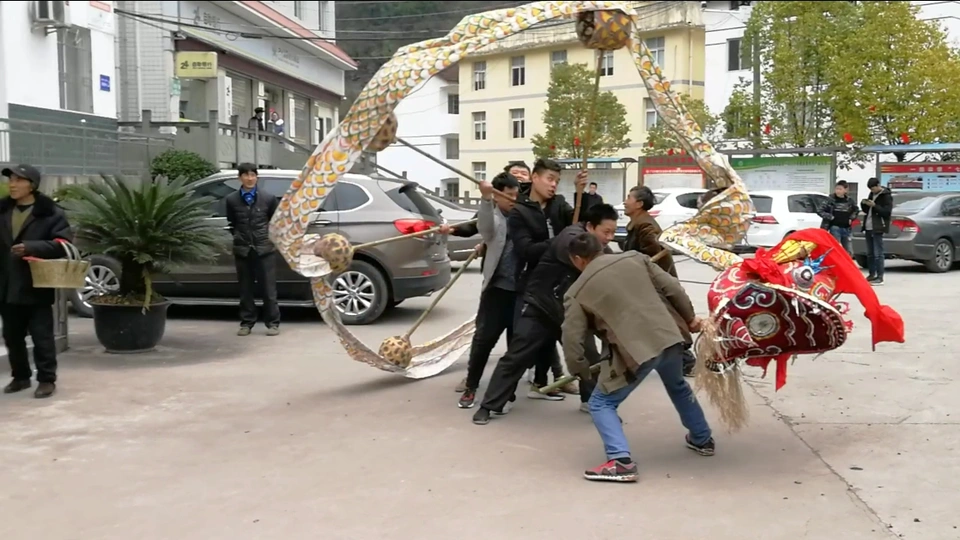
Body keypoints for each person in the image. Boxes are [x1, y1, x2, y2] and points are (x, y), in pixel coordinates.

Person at [561, 234, 714, 482]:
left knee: (601, 403)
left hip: (635, 351)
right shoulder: (636, 258)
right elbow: (673, 288)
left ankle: (620, 462)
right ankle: (702, 438)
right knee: (677, 384)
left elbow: (572, 337)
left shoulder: (576, 292)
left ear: (577, 259)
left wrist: (579, 369)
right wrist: (689, 318)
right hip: (669, 336)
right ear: (601, 248)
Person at [471, 203, 615, 426]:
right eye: (606, 232)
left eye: (613, 233)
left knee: (588, 356)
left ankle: (594, 403)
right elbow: (596, 263)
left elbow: (608, 263)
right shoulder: (571, 239)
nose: (609, 238)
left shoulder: (599, 248)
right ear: (590, 226)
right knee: (517, 355)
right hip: (541, 305)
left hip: (570, 312)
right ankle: (488, 406)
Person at [509, 158, 585, 394]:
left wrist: (580, 193)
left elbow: (580, 221)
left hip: (562, 283)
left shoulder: (558, 204)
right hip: (533, 284)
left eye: (557, 181)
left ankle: (579, 390)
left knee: (572, 338)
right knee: (529, 339)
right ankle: (507, 392)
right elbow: (526, 250)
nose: (553, 185)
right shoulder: (520, 211)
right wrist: (558, 243)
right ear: (535, 177)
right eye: (550, 179)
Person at [0, 164, 72, 398]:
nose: (12, 185)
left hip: (35, 284)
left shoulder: (50, 213)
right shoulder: (2, 210)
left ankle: (46, 379)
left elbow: (63, 244)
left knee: (42, 337)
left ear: (32, 185)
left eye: (18, 180)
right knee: (12, 336)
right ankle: (20, 377)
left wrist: (32, 247)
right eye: (11, 180)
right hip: (6, 285)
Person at [453, 172, 521, 408]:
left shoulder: (524, 216)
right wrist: (485, 198)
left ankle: (506, 391)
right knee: (483, 341)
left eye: (516, 195)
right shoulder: (493, 217)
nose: (513, 199)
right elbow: (484, 228)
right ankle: (471, 387)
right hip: (496, 290)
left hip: (521, 292)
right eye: (508, 195)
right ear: (497, 195)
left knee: (516, 345)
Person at [620, 185, 696, 378]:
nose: (625, 201)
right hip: (644, 283)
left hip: (654, 285)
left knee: (662, 324)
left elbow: (652, 258)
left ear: (639, 204)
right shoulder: (639, 223)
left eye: (629, 197)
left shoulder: (646, 226)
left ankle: (685, 360)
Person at [225, 163, 281, 336]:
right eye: (246, 175)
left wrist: (265, 239)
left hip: (264, 249)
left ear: (257, 177)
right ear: (239, 178)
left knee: (268, 289)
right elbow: (232, 222)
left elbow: (275, 222)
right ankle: (247, 323)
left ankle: (273, 323)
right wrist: (240, 238)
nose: (250, 178)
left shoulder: (269, 198)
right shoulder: (231, 199)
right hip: (243, 249)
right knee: (245, 289)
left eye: (253, 175)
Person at [861, 177, 892, 285]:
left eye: (873, 189)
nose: (872, 191)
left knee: (878, 253)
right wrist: (864, 204)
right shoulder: (871, 194)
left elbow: (887, 212)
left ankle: (880, 277)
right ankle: (871, 274)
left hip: (878, 226)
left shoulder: (886, 196)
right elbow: (867, 211)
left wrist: (875, 206)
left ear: (878, 185)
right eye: (871, 189)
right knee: (870, 253)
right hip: (868, 226)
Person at [819, 180, 856, 256]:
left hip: (846, 228)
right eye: (837, 189)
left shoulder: (849, 200)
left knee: (848, 251)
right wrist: (831, 217)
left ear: (845, 190)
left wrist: (851, 218)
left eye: (840, 189)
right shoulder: (830, 199)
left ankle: (846, 263)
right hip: (835, 227)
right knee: (835, 248)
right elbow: (820, 210)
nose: (838, 191)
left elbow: (856, 210)